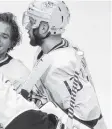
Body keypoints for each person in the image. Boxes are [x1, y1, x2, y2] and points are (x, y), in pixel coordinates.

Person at [20, 0, 106, 128]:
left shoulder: (59, 67)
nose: (27, 26)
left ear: (44, 28)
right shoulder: (52, 50)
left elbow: (89, 118)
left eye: (32, 21)